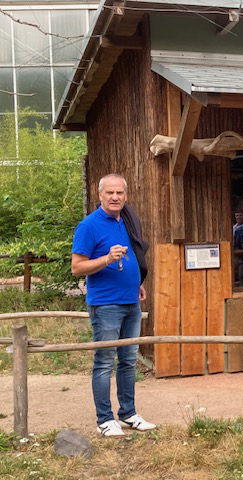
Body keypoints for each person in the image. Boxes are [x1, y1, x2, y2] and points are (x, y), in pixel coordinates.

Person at [71, 174, 155, 437]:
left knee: (129, 361)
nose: (115, 197)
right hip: (106, 304)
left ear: (125, 196)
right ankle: (105, 419)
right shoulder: (89, 226)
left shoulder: (126, 221)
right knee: (105, 362)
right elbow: (77, 267)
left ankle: (128, 414)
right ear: (100, 195)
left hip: (131, 301)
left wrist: (138, 282)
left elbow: (134, 257)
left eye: (119, 193)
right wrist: (107, 258)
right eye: (110, 193)